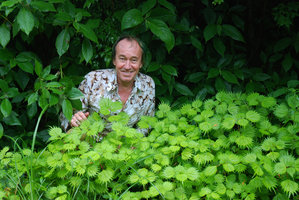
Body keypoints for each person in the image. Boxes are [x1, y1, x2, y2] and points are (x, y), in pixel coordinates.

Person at [60, 35, 155, 138]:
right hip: (89, 144)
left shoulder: (148, 85)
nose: (127, 66)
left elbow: (146, 124)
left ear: (141, 63)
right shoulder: (93, 80)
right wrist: (74, 121)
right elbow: (67, 118)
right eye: (122, 59)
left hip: (126, 147)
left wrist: (132, 143)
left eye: (134, 60)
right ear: (114, 60)